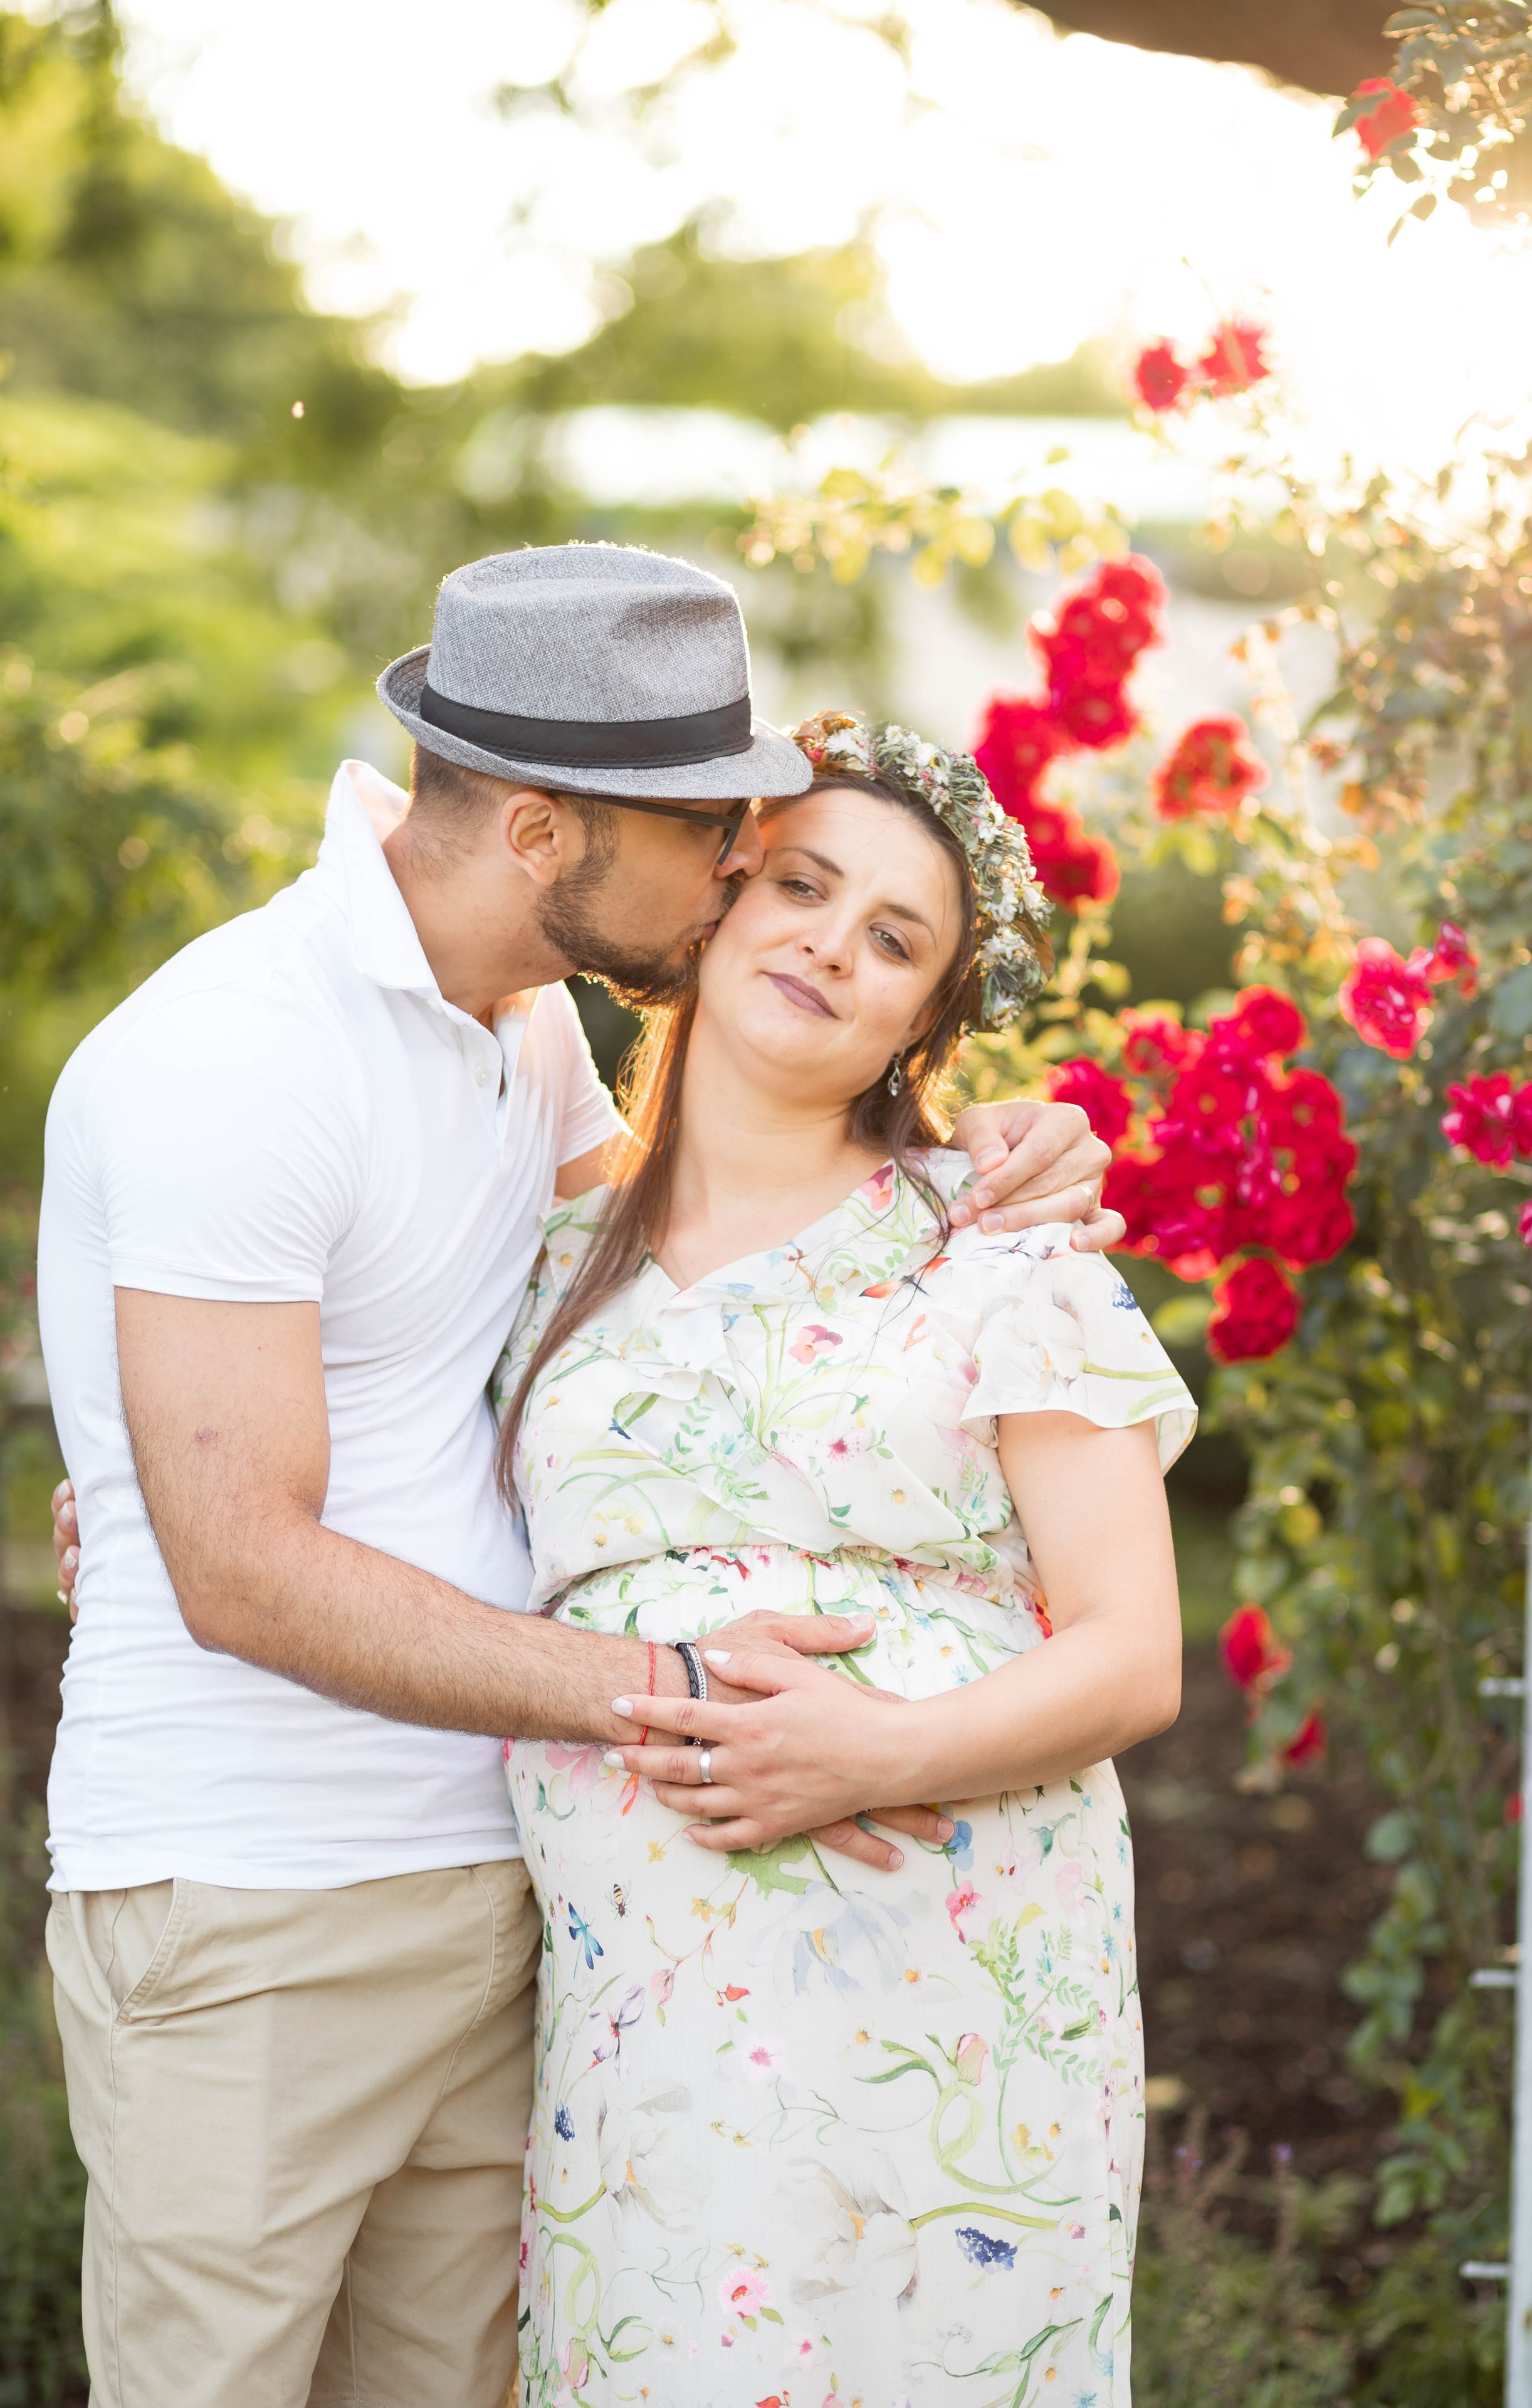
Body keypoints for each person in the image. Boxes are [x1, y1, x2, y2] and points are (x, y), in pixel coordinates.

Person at [38, 544, 1122, 2408]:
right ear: (543, 830)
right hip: (260, 1895)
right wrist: (682, 1698)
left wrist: (1009, 1144)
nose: (734, 866)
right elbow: (241, 1567)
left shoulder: (524, 1035)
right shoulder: (234, 1058)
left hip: (515, 1898)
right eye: (715, 828)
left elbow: (663, 1309)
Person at [497, 710, 1194, 2407]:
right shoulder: (540, 1254)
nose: (830, 940)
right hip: (647, 2032)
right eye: (800, 885)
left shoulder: (1001, 1247)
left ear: (924, 1019)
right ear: (713, 912)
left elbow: (1131, 1652)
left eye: (895, 937)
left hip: (956, 2005)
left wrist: (868, 1750)